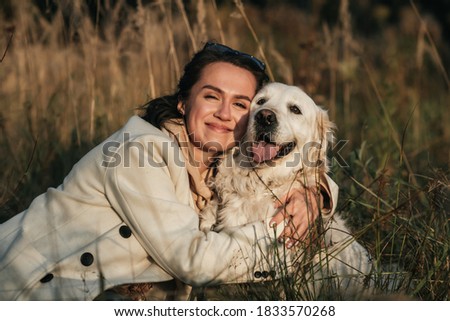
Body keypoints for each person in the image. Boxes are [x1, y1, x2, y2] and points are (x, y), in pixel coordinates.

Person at [0, 42, 337, 300]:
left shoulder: (221, 162)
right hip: (28, 292)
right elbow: (194, 262)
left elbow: (296, 163)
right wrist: (292, 245)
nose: (224, 113)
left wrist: (314, 194)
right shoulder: (140, 152)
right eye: (211, 96)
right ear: (183, 102)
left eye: (239, 104)